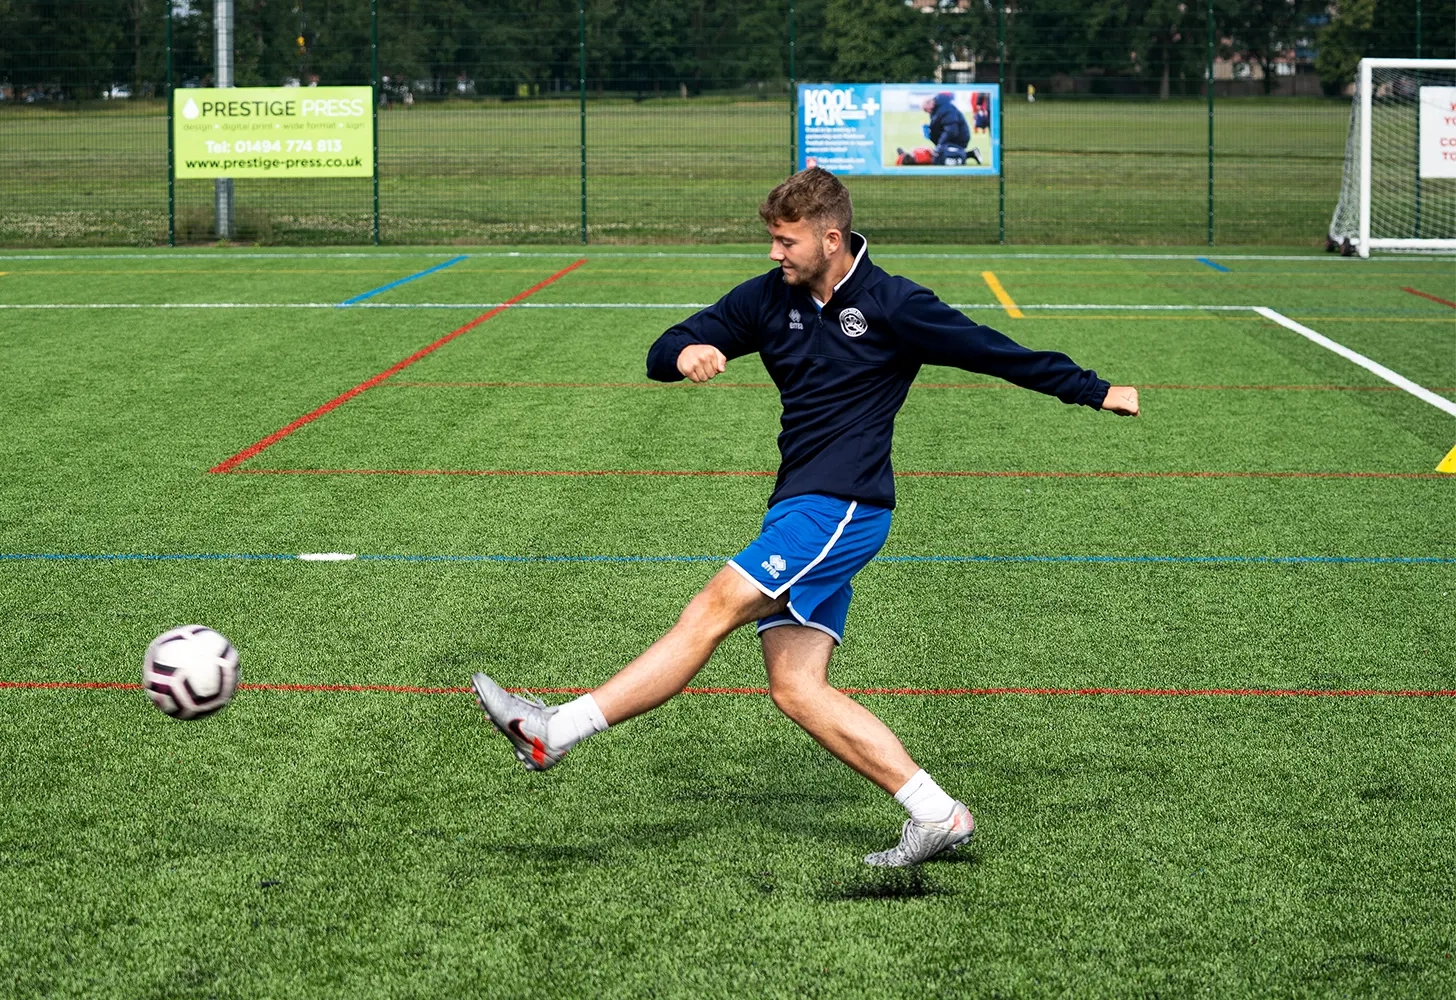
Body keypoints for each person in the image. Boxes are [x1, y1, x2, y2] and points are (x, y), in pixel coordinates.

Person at [473, 168, 1140, 867]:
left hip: (845, 505)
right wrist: (685, 352)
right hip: (800, 502)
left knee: (709, 609)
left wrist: (1094, 392)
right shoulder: (769, 299)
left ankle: (554, 729)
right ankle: (937, 814)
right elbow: (663, 347)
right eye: (771, 239)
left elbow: (993, 351)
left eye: (785, 241)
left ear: (830, 237)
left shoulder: (893, 304)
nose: (773, 254)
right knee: (795, 689)